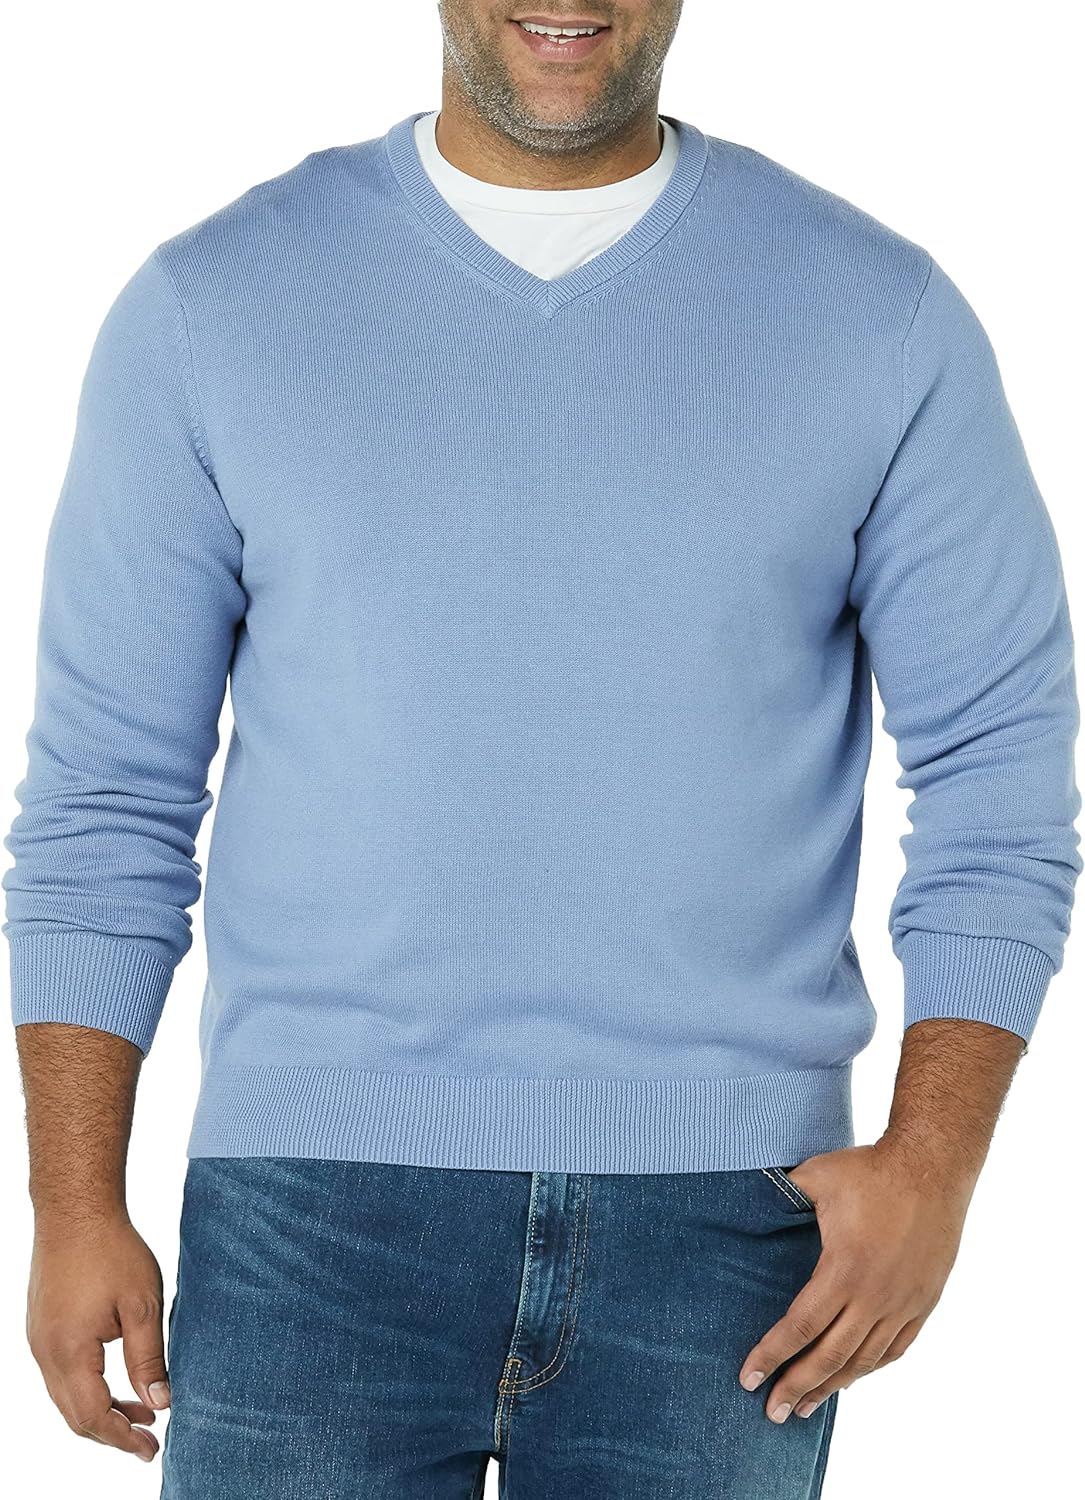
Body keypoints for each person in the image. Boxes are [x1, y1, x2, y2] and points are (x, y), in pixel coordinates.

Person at [5, 3, 1080, 1496]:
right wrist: (72, 1205)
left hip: (730, 1229)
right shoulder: (215, 306)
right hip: (307, 1213)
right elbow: (106, 801)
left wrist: (935, 1167)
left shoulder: (875, 316)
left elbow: (999, 780)